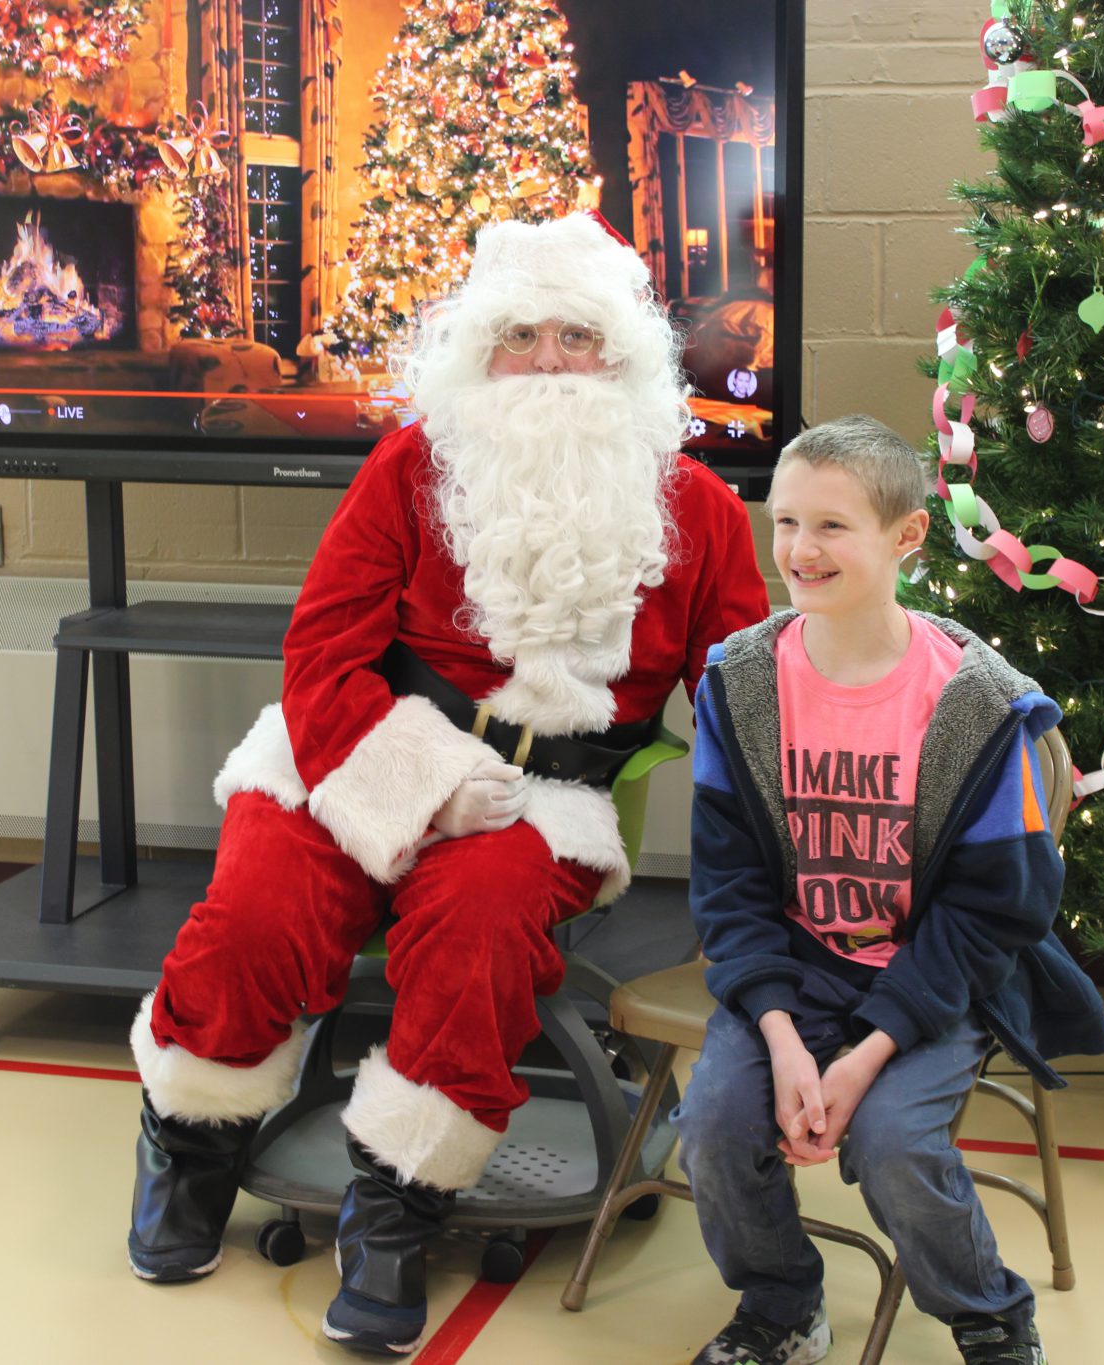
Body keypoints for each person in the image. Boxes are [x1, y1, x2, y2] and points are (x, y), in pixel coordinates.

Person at [125, 211, 772, 1355]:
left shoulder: (702, 512)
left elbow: (743, 698)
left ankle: (397, 1204)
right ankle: (191, 1143)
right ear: (478, 352)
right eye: (517, 334)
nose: (546, 363)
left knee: (475, 933)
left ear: (619, 355)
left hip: (545, 800)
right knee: (253, 916)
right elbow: (322, 657)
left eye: (575, 335)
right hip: (352, 751)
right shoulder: (410, 466)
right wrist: (420, 786)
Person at [672, 415, 1104, 1365]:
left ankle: (989, 1312)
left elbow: (998, 910)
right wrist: (785, 1040)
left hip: (925, 975)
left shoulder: (980, 704)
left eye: (832, 526)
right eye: (786, 522)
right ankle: (783, 1306)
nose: (798, 550)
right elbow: (731, 882)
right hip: (794, 971)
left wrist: (865, 1055)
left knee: (897, 1146)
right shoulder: (736, 683)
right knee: (711, 1125)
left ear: (906, 536)